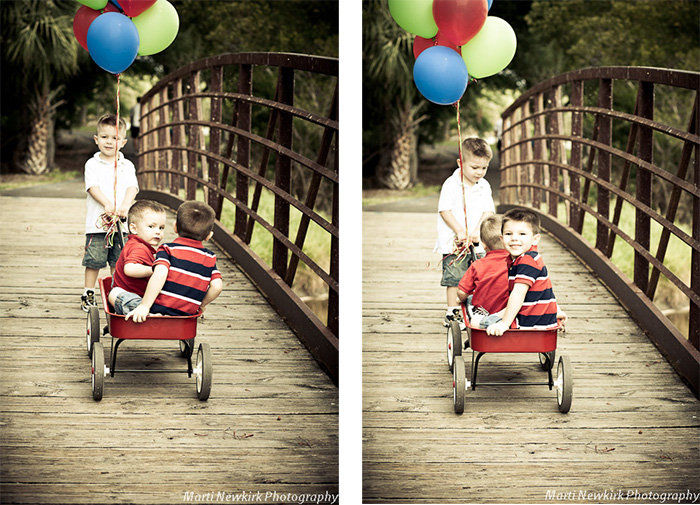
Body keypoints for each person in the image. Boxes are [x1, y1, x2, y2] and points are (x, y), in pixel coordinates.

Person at [126, 200, 224, 322]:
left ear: (175, 227)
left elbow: (160, 273)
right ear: (209, 235)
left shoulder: (167, 250)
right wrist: (200, 305)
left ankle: (153, 314)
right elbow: (217, 286)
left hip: (158, 308)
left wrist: (144, 306)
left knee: (116, 293)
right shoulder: (210, 258)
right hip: (187, 313)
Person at [435, 137, 495, 328]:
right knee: (455, 275)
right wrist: (459, 231)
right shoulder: (451, 184)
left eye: (484, 168)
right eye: (474, 167)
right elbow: (445, 210)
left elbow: (489, 210)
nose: (480, 172)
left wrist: (478, 229)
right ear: (461, 163)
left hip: (477, 241)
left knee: (478, 273)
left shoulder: (484, 186)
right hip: (455, 242)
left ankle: (475, 306)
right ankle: (452, 311)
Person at [81, 113, 139, 312]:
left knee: (119, 261)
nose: (109, 142)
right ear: (96, 139)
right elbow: (92, 187)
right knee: (94, 261)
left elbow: (132, 187)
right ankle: (88, 294)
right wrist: (106, 203)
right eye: (104, 137)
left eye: (114, 138)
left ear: (122, 142)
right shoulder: (92, 164)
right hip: (98, 224)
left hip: (121, 225)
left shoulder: (127, 165)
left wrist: (125, 204)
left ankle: (116, 294)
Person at [486, 208, 568, 336]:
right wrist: (557, 310)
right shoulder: (529, 258)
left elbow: (518, 293)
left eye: (522, 234)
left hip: (527, 323)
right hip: (544, 321)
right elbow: (545, 289)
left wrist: (504, 323)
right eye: (508, 234)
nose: (514, 238)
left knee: (477, 322)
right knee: (498, 313)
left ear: (535, 239)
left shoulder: (526, 261)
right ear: (501, 239)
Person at [107, 200, 167, 315]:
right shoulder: (138, 248)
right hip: (128, 295)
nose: (158, 232)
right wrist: (154, 269)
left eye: (161, 228)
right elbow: (130, 269)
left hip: (139, 294)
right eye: (151, 226)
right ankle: (150, 316)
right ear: (134, 229)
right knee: (129, 300)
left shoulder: (141, 246)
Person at [456, 214, 510, 329]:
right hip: (510, 313)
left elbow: (462, 292)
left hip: (484, 313)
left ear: (483, 244)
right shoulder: (519, 263)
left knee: (469, 298)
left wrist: (460, 299)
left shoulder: (478, 265)